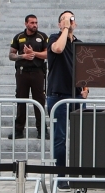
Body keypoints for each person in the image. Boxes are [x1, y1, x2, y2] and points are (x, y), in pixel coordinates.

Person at [46, 11, 88, 176]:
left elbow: (84, 69)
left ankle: (79, 174)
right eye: (65, 19)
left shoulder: (79, 44)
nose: (69, 22)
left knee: (82, 137)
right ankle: (61, 176)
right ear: (59, 24)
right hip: (58, 96)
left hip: (76, 96)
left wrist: (86, 88)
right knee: (60, 138)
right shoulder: (53, 38)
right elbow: (58, 49)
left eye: (71, 19)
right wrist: (64, 30)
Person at [8, 15, 48, 139]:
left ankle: (42, 131)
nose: (35, 25)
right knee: (21, 100)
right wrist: (23, 56)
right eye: (32, 23)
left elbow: (47, 54)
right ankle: (18, 130)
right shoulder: (19, 37)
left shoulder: (42, 36)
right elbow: (11, 55)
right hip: (22, 73)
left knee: (39, 101)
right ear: (26, 24)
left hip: (37, 72)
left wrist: (33, 53)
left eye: (36, 22)